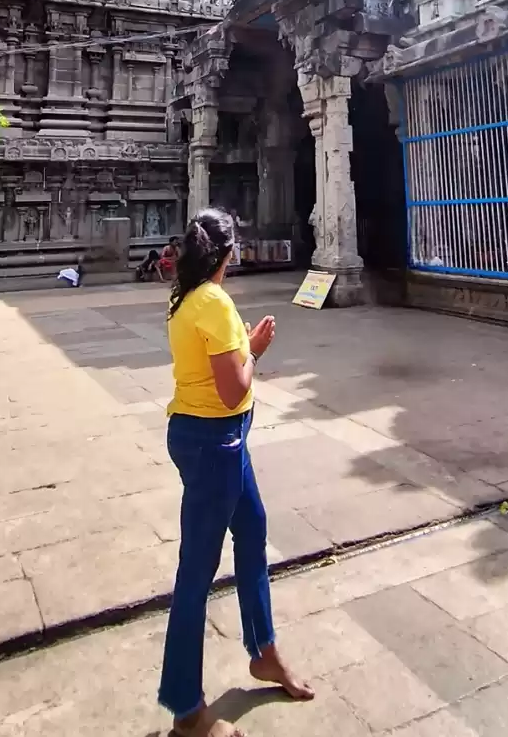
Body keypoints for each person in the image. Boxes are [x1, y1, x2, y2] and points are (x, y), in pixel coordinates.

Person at [159, 208, 313, 736]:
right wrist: (255, 350)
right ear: (229, 252)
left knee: (252, 532)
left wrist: (239, 347)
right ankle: (186, 711)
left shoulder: (184, 297)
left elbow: (212, 368)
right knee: (195, 574)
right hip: (214, 442)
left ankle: (264, 650)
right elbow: (234, 388)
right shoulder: (216, 302)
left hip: (208, 436)